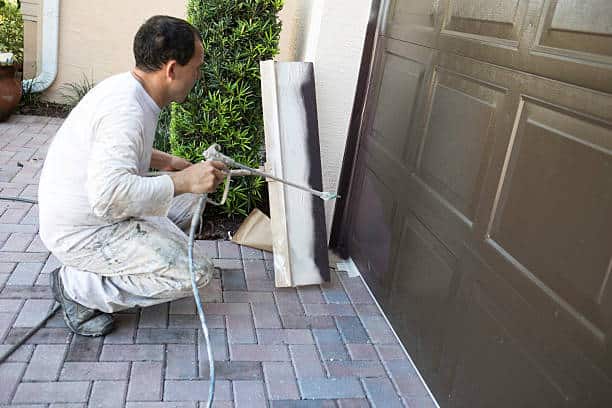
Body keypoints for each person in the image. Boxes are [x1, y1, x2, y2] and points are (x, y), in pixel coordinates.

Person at [38, 15, 227, 336]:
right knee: (194, 274)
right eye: (195, 67)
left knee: (191, 202)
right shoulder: (126, 110)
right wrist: (184, 181)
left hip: (96, 213)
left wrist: (167, 162)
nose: (197, 75)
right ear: (171, 70)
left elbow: (109, 149)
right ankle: (76, 287)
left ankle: (140, 258)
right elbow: (109, 197)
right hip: (85, 231)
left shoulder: (127, 90)